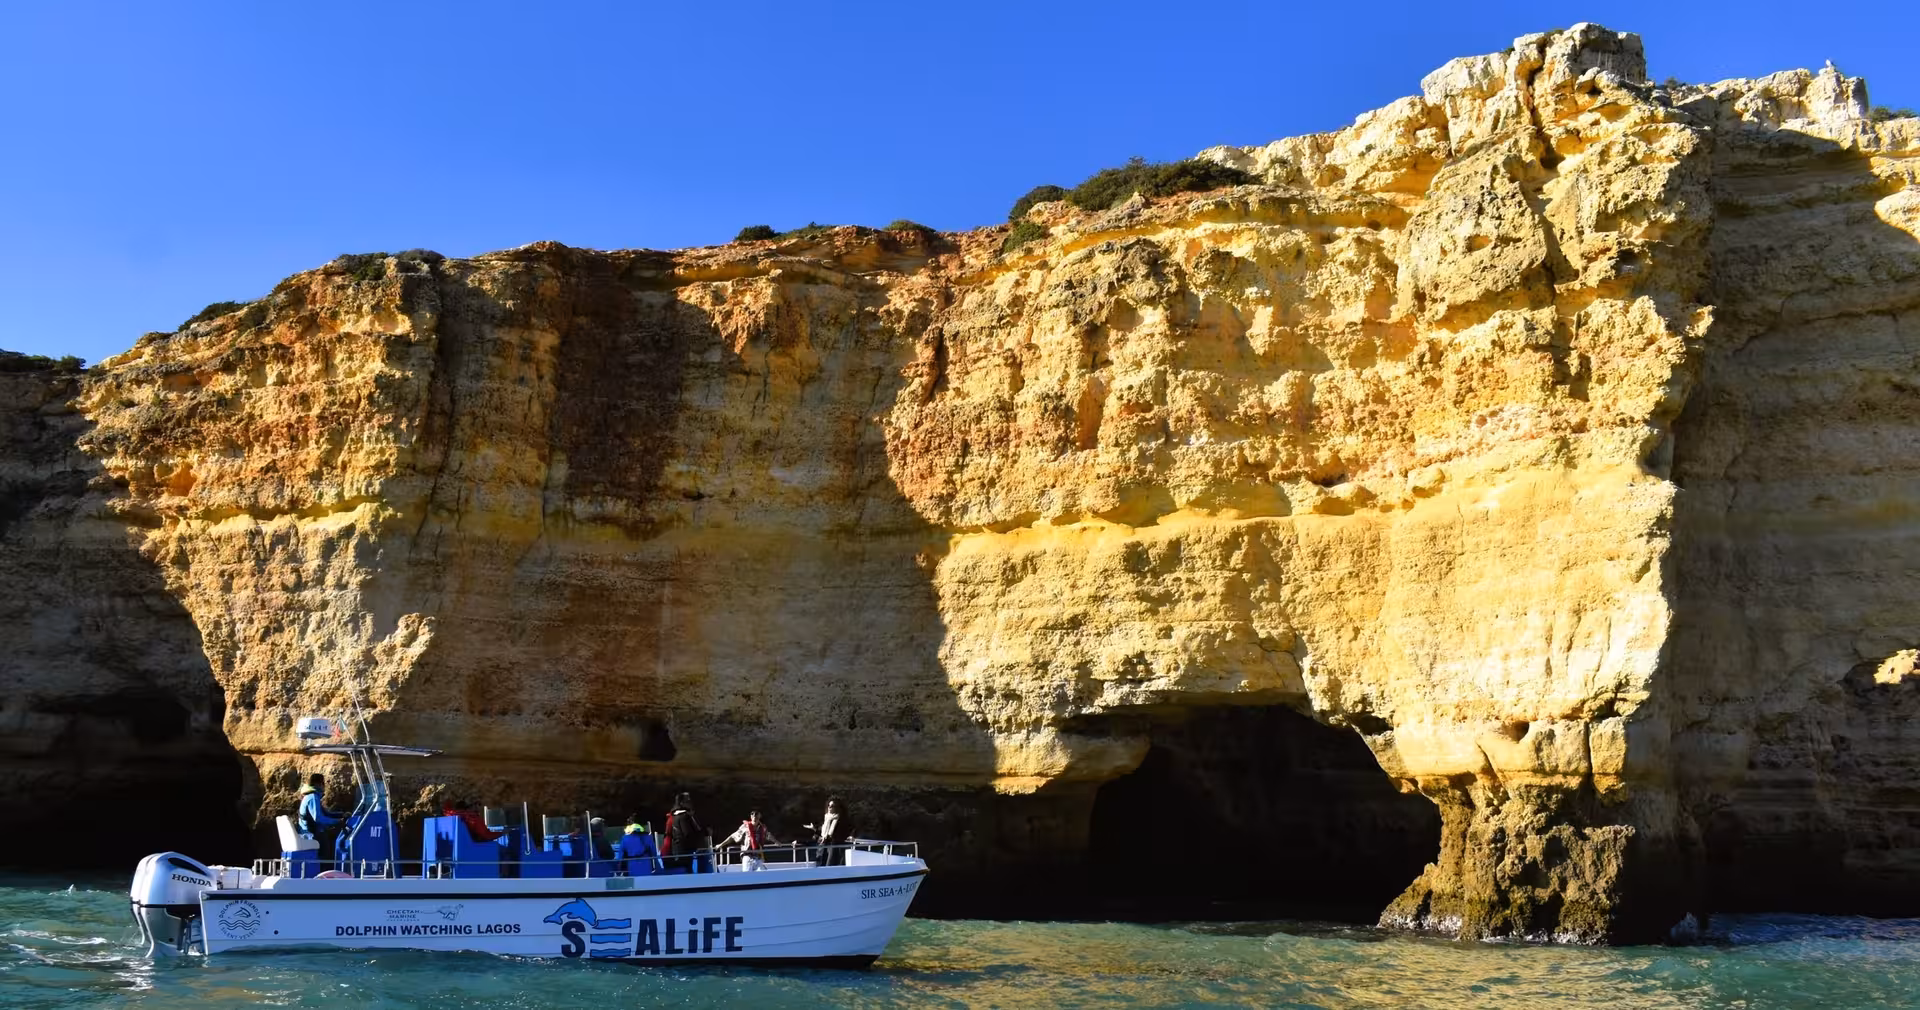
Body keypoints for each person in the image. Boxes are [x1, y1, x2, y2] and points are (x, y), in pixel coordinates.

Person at [296, 776, 344, 861]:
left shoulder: (311, 796)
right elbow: (318, 818)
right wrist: (337, 822)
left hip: (310, 833)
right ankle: (324, 871)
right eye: (323, 783)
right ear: (318, 784)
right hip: (311, 834)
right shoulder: (313, 797)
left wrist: (342, 815)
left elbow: (327, 814)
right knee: (327, 849)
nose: (324, 786)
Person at [661, 793, 707, 873]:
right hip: (685, 850)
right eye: (687, 801)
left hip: (676, 850)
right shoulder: (684, 816)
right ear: (681, 803)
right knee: (688, 870)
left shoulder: (674, 816)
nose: (690, 803)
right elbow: (687, 833)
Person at [803, 796, 851, 866]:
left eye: (832, 806)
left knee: (829, 863)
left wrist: (850, 836)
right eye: (828, 805)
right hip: (823, 844)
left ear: (836, 807)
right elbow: (821, 832)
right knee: (820, 863)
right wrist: (813, 829)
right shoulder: (826, 817)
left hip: (833, 845)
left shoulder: (841, 819)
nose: (829, 807)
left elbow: (846, 831)